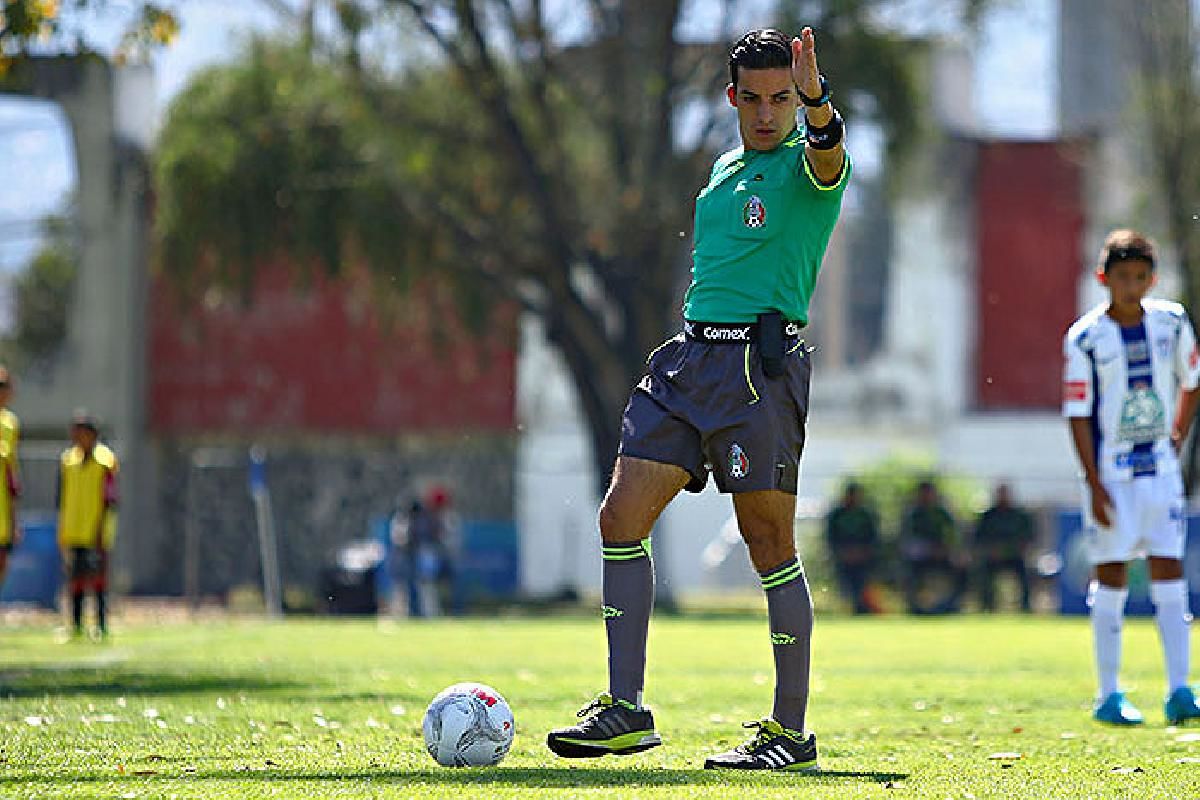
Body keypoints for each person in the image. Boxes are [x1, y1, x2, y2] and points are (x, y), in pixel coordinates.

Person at [546, 27, 850, 771]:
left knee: (768, 542)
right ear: (733, 99)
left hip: (757, 372)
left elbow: (829, 152)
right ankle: (625, 708)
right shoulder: (723, 167)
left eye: (783, 98)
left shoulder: (811, 170)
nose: (770, 113)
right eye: (757, 99)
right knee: (620, 515)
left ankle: (789, 734)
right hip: (688, 362)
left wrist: (817, 98)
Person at [1063, 228, 1200, 726]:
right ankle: (1108, 694)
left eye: (1141, 277)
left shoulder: (1172, 321)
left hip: (1160, 471)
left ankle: (1181, 689)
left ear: (1152, 278)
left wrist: (1179, 432)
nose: (1132, 286)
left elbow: (1193, 379)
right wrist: (1093, 481)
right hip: (1112, 473)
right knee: (1113, 574)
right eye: (1122, 277)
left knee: (1170, 573)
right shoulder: (1084, 337)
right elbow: (1077, 411)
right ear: (1104, 278)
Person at [57, 411, 119, 640]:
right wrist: (62, 528)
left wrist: (102, 529)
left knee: (98, 580)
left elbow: (110, 498)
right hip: (74, 530)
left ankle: (100, 626)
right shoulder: (68, 460)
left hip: (97, 531)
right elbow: (62, 498)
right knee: (75, 580)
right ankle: (74, 625)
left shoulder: (105, 461)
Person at [899, 480, 965, 615]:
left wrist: (949, 550)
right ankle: (915, 607)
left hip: (943, 554)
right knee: (907, 572)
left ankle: (952, 605)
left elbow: (954, 535)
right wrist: (928, 549)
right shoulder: (913, 514)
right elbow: (907, 541)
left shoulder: (943, 513)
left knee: (962, 567)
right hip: (919, 558)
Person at [972, 482, 1036, 612]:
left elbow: (1028, 538)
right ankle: (987, 606)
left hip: (1015, 557)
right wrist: (990, 550)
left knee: (1027, 573)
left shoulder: (1019, 516)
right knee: (981, 572)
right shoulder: (988, 516)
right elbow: (979, 538)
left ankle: (1025, 607)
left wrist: (1013, 550)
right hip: (992, 558)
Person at [824, 481, 882, 614]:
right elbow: (831, 538)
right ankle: (849, 607)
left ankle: (863, 606)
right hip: (843, 558)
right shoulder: (837, 515)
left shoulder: (866, 515)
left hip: (864, 558)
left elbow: (873, 538)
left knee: (863, 583)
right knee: (846, 585)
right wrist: (843, 552)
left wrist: (862, 552)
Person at [0, 366, 20, 593]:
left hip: (3, 507)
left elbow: (12, 471)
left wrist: (15, 517)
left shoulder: (10, 423)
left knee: (3, 561)